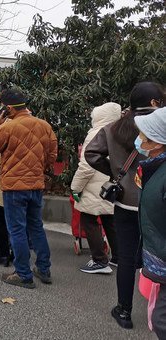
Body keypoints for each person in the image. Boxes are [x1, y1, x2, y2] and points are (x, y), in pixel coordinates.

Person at [85, 81, 164, 329]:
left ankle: (124, 310)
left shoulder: (112, 128)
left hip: (126, 202)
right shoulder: (161, 125)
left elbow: (91, 154)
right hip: (157, 202)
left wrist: (116, 173)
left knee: (127, 257)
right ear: (154, 102)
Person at [0, 88, 58, 289]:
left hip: (14, 187)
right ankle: (44, 269)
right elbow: (52, 155)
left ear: (7, 108)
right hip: (36, 184)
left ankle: (23, 274)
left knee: (16, 229)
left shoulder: (8, 127)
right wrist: (39, 169)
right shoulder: (44, 125)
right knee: (36, 227)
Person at [71, 103, 121, 274]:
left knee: (89, 220)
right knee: (110, 220)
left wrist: (75, 187)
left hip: (94, 186)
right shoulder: (120, 132)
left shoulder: (96, 134)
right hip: (112, 185)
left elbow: (86, 166)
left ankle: (100, 260)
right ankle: (118, 258)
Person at [133, 107, 166, 339]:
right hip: (159, 259)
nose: (139, 141)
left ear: (158, 143)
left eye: (144, 137)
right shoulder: (153, 168)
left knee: (160, 320)